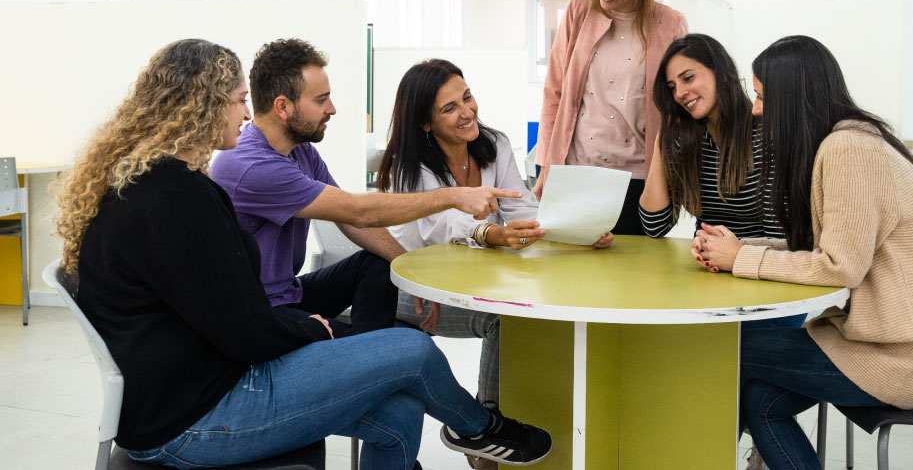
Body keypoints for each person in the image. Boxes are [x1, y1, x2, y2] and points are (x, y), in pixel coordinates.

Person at [54, 39, 552, 470]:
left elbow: (237, 305)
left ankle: (461, 418)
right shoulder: (179, 199)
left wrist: (334, 326)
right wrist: (320, 329)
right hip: (196, 418)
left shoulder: (161, 185)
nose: (245, 114)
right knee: (414, 351)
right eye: (236, 102)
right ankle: (481, 428)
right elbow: (247, 329)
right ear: (200, 108)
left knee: (399, 414)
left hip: (199, 386)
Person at [693, 35, 913, 470]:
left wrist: (740, 259)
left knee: (721, 345)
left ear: (793, 98)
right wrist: (742, 248)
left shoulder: (847, 149)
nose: (755, 110)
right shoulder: (855, 139)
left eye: (761, 97)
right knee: (763, 402)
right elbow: (831, 248)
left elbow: (839, 266)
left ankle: (691, 454)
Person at [377, 60, 612, 469]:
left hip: (464, 283)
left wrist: (575, 229)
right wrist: (490, 233)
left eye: (466, 97)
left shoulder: (494, 143)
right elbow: (439, 227)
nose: (467, 111)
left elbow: (522, 204)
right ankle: (486, 432)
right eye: (449, 108)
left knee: (515, 314)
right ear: (425, 123)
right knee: (501, 318)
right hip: (409, 291)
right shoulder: (408, 165)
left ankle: (486, 428)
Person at [210, 38, 518, 338]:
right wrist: (454, 195)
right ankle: (372, 352)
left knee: (377, 262)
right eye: (321, 100)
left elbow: (352, 222)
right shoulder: (251, 165)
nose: (332, 109)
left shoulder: (301, 151)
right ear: (283, 107)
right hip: (261, 311)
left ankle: (371, 351)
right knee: (412, 351)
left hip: (291, 293)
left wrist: (413, 282)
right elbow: (357, 211)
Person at [534, 0, 688, 234]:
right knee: (572, 272)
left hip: (637, 177)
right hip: (576, 170)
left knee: (634, 274)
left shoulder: (670, 24)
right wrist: (546, 166)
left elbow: (678, 108)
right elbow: (555, 93)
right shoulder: (579, 9)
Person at [639, 33, 781, 242]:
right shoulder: (684, 140)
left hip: (758, 266)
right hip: (706, 266)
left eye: (688, 78)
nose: (679, 93)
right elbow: (654, 226)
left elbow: (781, 239)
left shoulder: (767, 134)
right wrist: (661, 141)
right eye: (672, 87)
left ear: (721, 72)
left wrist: (736, 257)